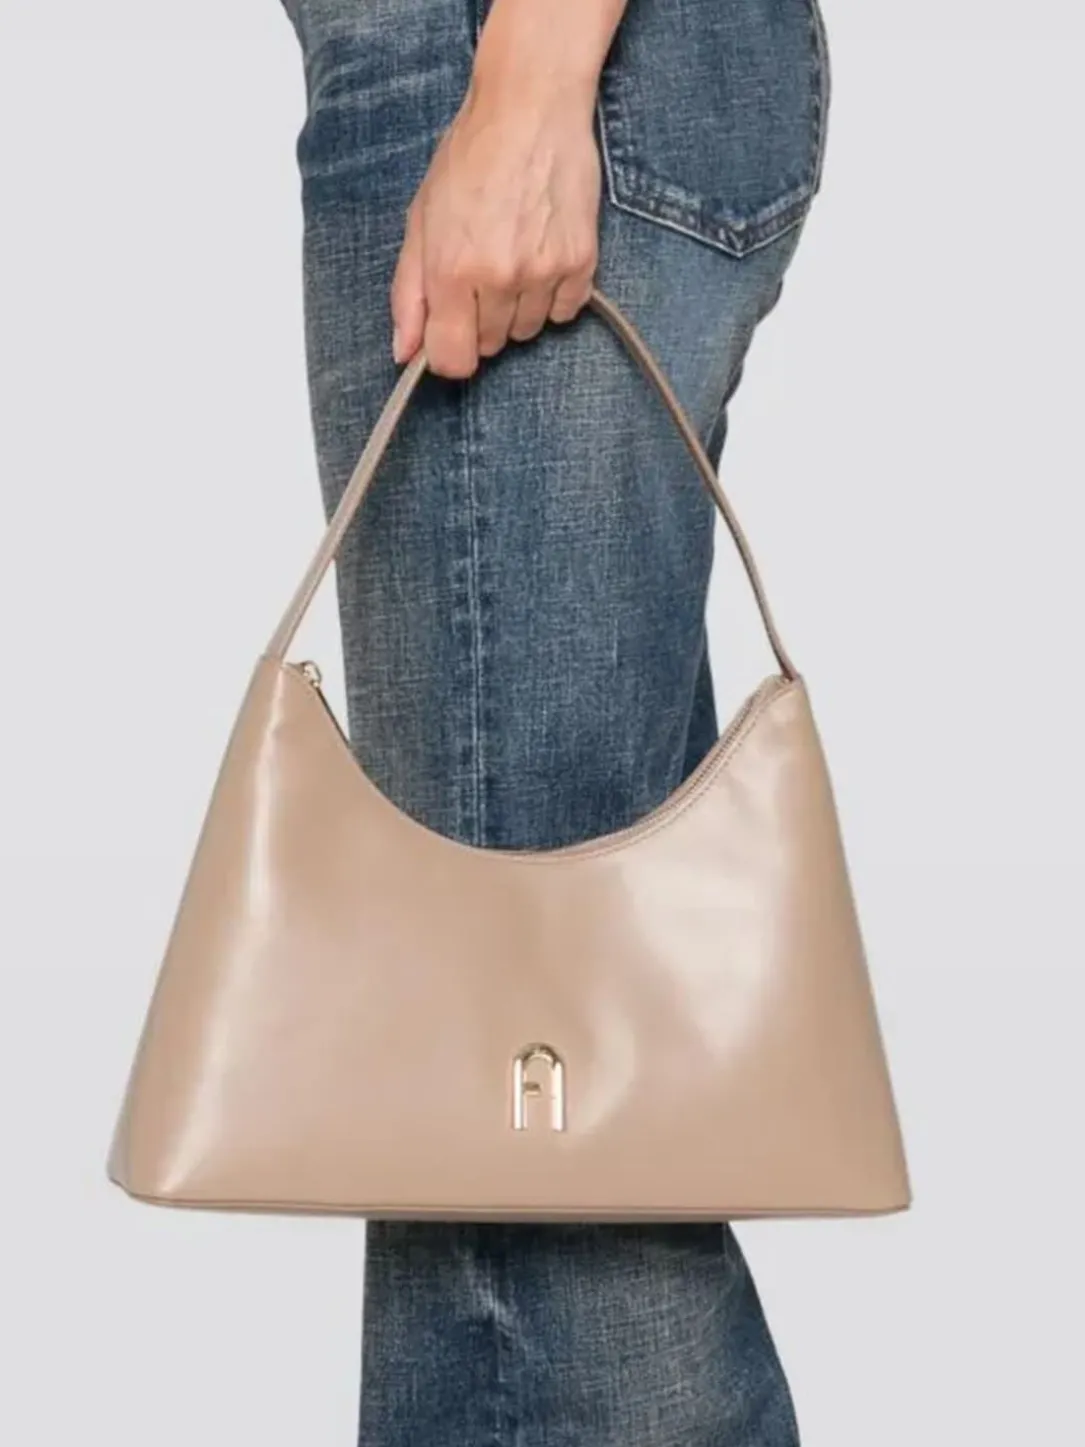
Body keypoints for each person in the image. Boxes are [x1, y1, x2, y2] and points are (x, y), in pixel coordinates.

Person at [276, 0, 830, 1441]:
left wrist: (530, 84)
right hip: (514, 71)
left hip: (513, 64)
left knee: (532, 1149)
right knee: (511, 1129)